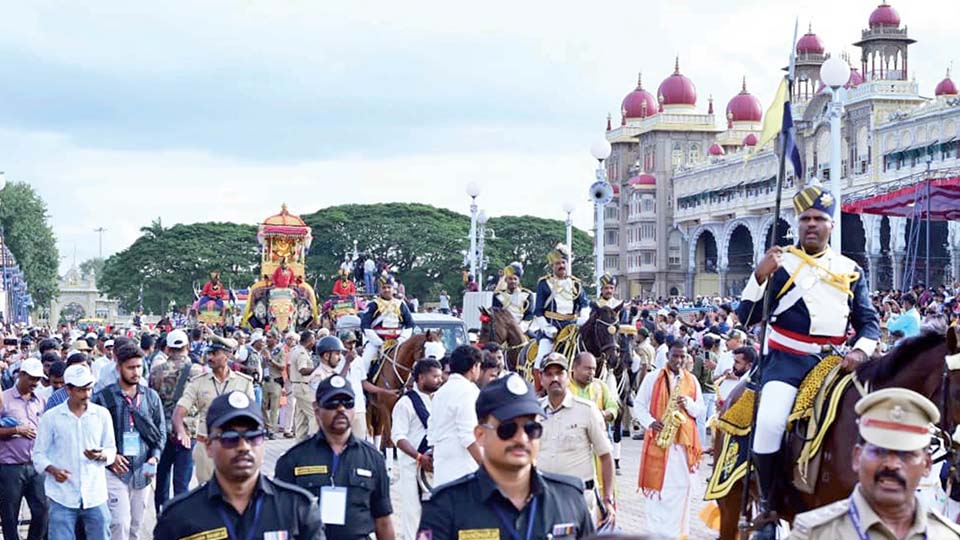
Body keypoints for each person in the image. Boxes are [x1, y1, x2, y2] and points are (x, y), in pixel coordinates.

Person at [737, 185, 880, 539]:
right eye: (805, 219)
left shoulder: (850, 270)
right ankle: (769, 508)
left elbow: (869, 322)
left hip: (835, 363)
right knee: (770, 422)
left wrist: (860, 351)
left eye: (819, 219)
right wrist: (759, 275)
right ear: (797, 224)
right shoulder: (780, 262)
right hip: (787, 360)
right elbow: (746, 317)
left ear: (832, 225)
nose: (811, 225)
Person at [418, 373, 594, 539]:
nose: (521, 438)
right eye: (507, 429)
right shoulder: (446, 506)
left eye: (531, 428)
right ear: (480, 435)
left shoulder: (569, 498)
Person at [789, 388, 960, 539]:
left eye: (906, 454)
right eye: (879, 451)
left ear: (927, 465)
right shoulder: (813, 534)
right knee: (771, 423)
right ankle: (769, 502)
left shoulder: (946, 536)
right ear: (856, 457)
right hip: (799, 362)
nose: (892, 465)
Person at [154, 391, 325, 540]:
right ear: (208, 446)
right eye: (230, 437)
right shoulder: (179, 516)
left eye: (253, 436)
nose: (243, 446)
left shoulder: (297, 508)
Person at [275, 375, 395, 540]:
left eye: (348, 403)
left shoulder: (373, 458)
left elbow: (383, 519)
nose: (341, 409)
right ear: (317, 410)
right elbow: (279, 523)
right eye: (332, 403)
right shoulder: (293, 460)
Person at [92, 339, 165, 540]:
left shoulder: (150, 397)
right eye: (130, 367)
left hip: (144, 470)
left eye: (139, 367)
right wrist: (110, 457)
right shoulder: (102, 398)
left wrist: (155, 457)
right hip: (115, 472)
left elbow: (161, 432)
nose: (136, 372)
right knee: (119, 524)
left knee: (136, 525)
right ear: (119, 367)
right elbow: (92, 436)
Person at [34, 364, 116, 540]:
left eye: (89, 389)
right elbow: (38, 454)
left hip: (95, 494)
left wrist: (100, 455)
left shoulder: (101, 415)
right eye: (81, 390)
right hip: (62, 495)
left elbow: (111, 450)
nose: (87, 395)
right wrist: (53, 470)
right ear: (68, 389)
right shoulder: (52, 417)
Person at [634, 341, 705, 537]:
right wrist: (650, 422)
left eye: (683, 356)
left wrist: (689, 404)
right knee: (657, 491)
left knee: (682, 487)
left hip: (682, 446)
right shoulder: (652, 378)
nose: (679, 360)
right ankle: (654, 533)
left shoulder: (692, 380)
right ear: (668, 356)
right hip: (659, 441)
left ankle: (678, 534)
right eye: (675, 356)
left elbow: (700, 410)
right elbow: (639, 405)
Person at [538, 353, 615, 524]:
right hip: (544, 500)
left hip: (579, 500)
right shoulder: (534, 411)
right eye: (549, 374)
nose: (555, 379)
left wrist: (608, 499)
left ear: (568, 375)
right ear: (541, 378)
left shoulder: (587, 410)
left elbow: (606, 456)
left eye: (559, 373)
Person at [172, 335, 255, 484]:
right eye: (209, 353)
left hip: (234, 447)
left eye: (215, 353)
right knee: (207, 493)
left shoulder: (244, 383)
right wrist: (181, 432)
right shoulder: (198, 382)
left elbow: (253, 416)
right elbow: (179, 411)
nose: (210, 357)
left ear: (228, 355)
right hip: (206, 448)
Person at [149, 329, 201, 513]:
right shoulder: (197, 371)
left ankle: (161, 519)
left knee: (161, 479)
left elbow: (151, 401)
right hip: (188, 433)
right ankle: (180, 523)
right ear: (187, 347)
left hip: (162, 432)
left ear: (168, 349)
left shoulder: (156, 371)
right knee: (182, 484)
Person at [391, 359, 442, 540]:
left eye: (440, 376)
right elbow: (398, 437)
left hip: (436, 468)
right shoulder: (405, 403)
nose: (439, 380)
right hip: (413, 466)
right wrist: (419, 456)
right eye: (435, 376)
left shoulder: (440, 400)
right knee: (413, 514)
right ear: (421, 378)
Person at [0, 358, 48, 540]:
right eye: (31, 378)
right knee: (9, 514)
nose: (35, 383)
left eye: (38, 379)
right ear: (21, 375)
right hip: (10, 467)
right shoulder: (3, 399)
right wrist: (15, 430)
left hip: (36, 465)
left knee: (42, 511)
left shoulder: (41, 400)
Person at [427, 344, 483, 486]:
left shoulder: (440, 392)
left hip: (442, 467)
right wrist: (488, 469)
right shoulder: (467, 391)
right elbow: (468, 436)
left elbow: (432, 433)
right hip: (463, 468)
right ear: (474, 367)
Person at [532, 244, 588, 372]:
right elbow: (538, 311)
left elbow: (584, 303)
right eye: (557, 263)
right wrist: (546, 327)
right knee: (542, 354)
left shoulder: (576, 283)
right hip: (552, 326)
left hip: (572, 327)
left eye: (563, 262)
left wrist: (584, 317)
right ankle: (538, 389)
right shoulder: (544, 283)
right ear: (552, 266)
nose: (561, 266)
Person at [359, 275, 414, 381]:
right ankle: (363, 389)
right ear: (379, 289)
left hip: (398, 342)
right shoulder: (373, 305)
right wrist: (378, 342)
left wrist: (401, 339)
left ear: (394, 289)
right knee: (365, 361)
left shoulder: (401, 305)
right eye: (384, 287)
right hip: (378, 343)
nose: (387, 290)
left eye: (389, 287)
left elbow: (410, 324)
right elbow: (365, 325)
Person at [568, 352, 618, 423]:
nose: (591, 373)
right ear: (574, 368)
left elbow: (613, 407)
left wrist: (604, 414)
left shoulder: (601, 385)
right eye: (587, 369)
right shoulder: (563, 387)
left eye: (593, 369)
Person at [287, 330, 318, 440]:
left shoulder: (296, 350)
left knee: (301, 419)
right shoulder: (301, 352)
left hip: (298, 386)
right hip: (303, 386)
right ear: (309, 340)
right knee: (314, 414)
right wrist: (318, 370)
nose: (315, 342)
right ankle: (315, 441)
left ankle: (299, 445)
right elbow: (302, 370)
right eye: (314, 339)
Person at [491, 262, 534, 330]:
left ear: (519, 280)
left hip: (522, 328)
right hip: (503, 329)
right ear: (506, 280)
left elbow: (529, 315)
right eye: (510, 279)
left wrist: (520, 328)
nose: (513, 281)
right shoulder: (498, 296)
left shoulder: (527, 295)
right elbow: (496, 315)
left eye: (515, 279)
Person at [261, 329, 284, 437]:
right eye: (267, 337)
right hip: (265, 381)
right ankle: (267, 426)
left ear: (275, 339)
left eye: (270, 337)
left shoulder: (280, 351)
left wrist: (270, 359)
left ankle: (272, 430)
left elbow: (282, 366)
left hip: (275, 381)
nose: (267, 339)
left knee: (274, 407)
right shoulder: (264, 350)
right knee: (263, 406)